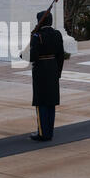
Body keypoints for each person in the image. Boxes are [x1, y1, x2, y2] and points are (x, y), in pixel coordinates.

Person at [29, 11, 64, 141]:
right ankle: (49, 131)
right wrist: (58, 72)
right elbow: (60, 55)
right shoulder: (57, 34)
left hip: (41, 70)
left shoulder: (38, 36)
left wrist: (23, 54)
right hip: (53, 68)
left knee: (41, 102)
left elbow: (33, 56)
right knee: (51, 102)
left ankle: (42, 133)